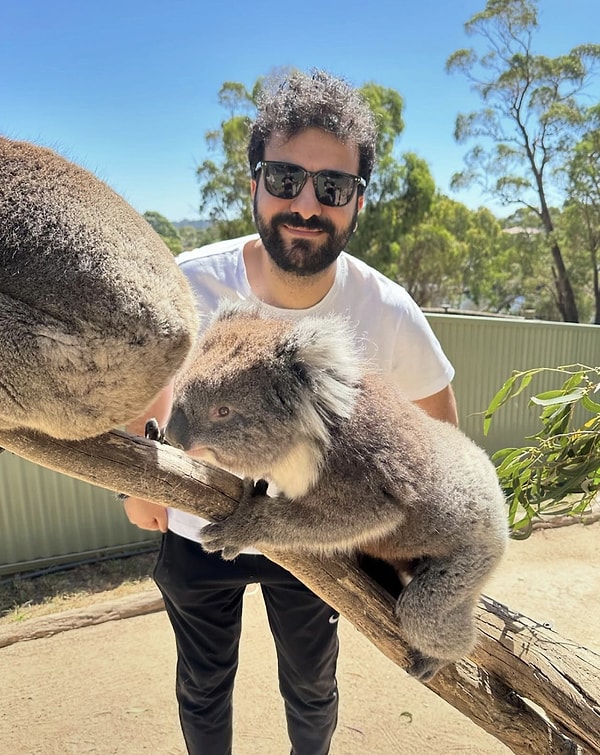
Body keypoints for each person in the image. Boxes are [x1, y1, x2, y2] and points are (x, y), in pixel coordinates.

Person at [124, 69, 458, 755]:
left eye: (332, 189)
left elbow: (439, 427)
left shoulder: (386, 310)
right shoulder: (189, 281)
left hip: (311, 535)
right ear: (253, 182)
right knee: (203, 681)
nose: (307, 204)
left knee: (311, 682)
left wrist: (392, 524)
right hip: (198, 527)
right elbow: (147, 393)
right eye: (284, 179)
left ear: (356, 203)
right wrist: (135, 476)